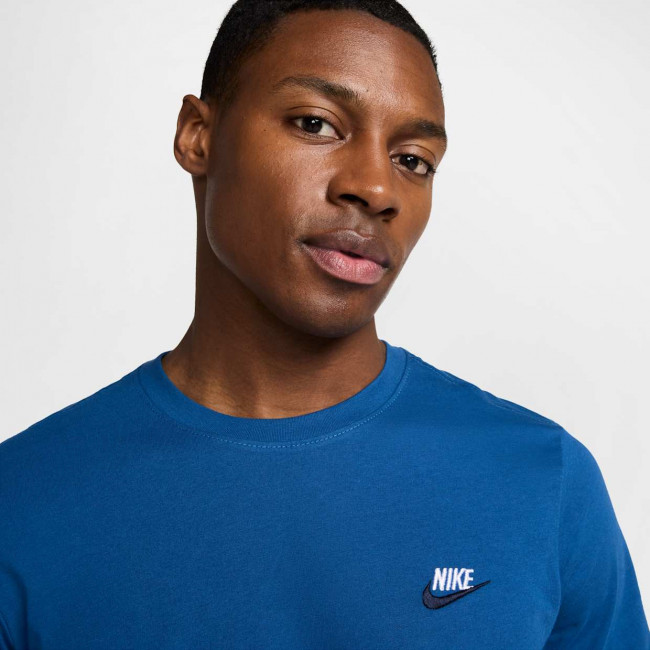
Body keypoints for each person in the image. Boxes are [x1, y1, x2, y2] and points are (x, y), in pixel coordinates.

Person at [1, 0, 648, 647]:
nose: (376, 188)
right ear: (198, 136)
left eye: (413, 159)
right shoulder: (24, 504)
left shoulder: (542, 482)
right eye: (316, 124)